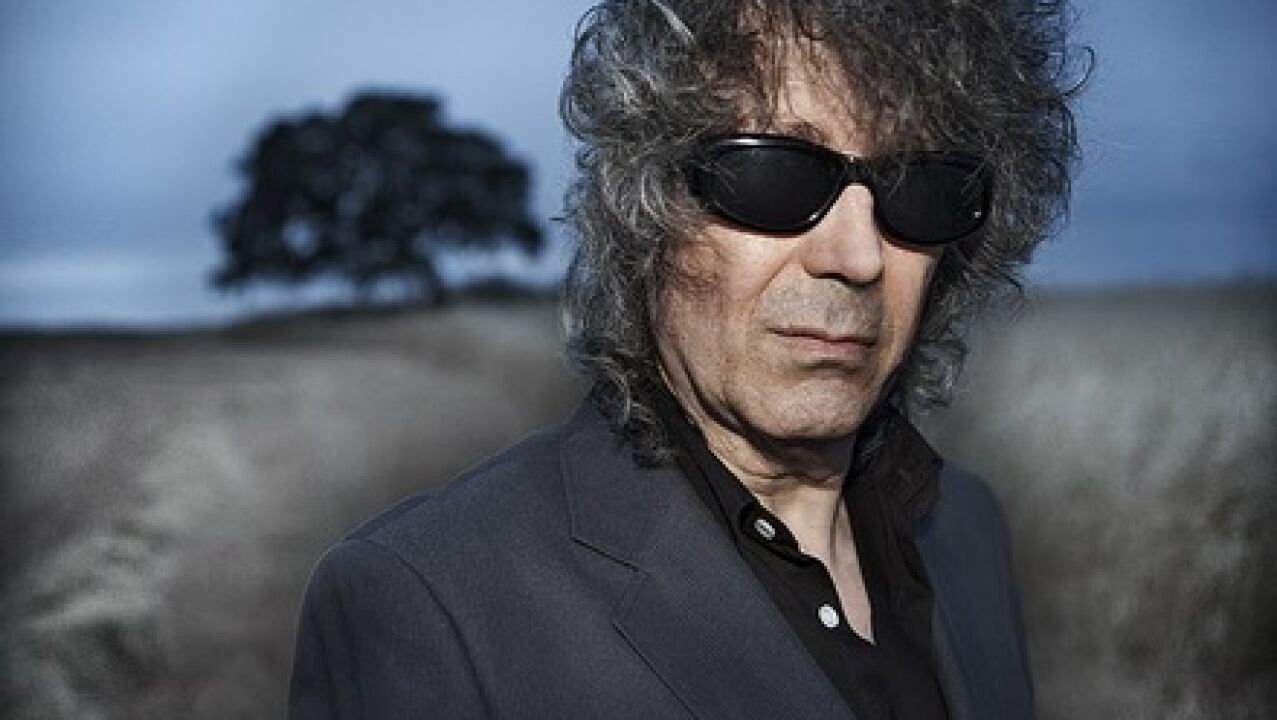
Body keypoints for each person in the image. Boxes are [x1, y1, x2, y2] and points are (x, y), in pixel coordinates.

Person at [289, 0, 1082, 717]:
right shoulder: (427, 601)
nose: (856, 257)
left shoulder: (965, 528)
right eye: (775, 174)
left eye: (919, 188)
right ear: (645, 207)